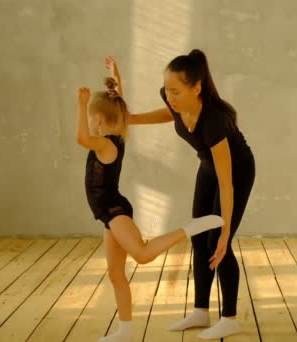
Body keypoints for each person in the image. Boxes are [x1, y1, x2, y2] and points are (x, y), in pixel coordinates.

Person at [107, 50, 256, 339]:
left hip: (236, 172)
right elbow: (170, 113)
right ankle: (201, 310)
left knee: (217, 241)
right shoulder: (174, 99)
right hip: (208, 167)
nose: (170, 96)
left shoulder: (214, 121)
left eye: (176, 91)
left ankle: (230, 318)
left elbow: (227, 184)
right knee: (198, 237)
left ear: (197, 88)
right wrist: (132, 117)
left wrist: (226, 233)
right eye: (167, 90)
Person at [76, 77, 225, 342]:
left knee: (143, 254)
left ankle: (190, 228)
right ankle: (125, 332)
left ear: (98, 119)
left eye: (90, 117)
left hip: (114, 210)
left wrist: (81, 104)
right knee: (115, 273)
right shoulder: (115, 136)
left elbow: (81, 138)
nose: (88, 121)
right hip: (108, 214)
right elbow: (119, 110)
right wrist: (118, 79)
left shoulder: (104, 144)